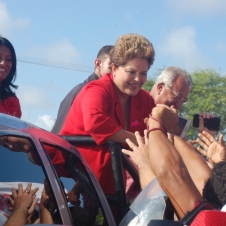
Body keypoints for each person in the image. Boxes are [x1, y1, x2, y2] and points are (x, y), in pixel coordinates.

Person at [60, 34, 155, 200]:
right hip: (80, 178)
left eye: (143, 73)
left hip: (118, 181)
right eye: (131, 72)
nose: (138, 79)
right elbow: (96, 124)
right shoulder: (96, 89)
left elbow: (156, 131)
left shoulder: (144, 98)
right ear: (114, 68)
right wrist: (137, 141)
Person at [51, 45, 113, 134]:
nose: (114, 74)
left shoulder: (80, 89)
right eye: (111, 68)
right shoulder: (90, 92)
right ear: (98, 64)